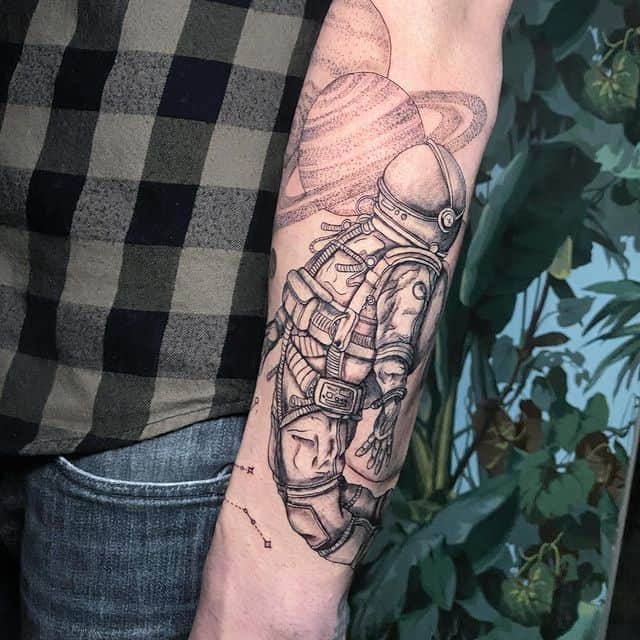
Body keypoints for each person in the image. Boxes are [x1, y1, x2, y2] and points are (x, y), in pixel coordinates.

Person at [0, 0, 512, 637]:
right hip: (35, 335)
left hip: (174, 407)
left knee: (312, 482)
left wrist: (282, 578)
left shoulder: (393, 260)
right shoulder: (365, 250)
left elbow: (441, 18)